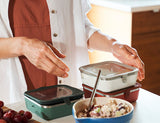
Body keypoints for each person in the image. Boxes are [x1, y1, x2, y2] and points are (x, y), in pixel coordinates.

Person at [0, 0, 144, 104]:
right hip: (13, 96)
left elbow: (79, 27)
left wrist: (114, 46)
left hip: (66, 96)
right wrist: (23, 46)